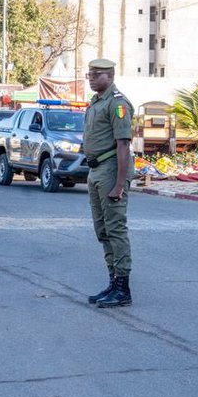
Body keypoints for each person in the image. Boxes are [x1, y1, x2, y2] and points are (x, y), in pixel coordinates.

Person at [82, 58, 135, 308]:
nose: (91, 78)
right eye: (90, 74)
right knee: (102, 229)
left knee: (115, 229)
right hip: (96, 170)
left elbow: (123, 145)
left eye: (97, 74)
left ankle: (123, 288)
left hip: (111, 170)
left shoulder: (117, 103)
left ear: (110, 75)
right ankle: (113, 281)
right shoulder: (96, 102)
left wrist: (120, 184)